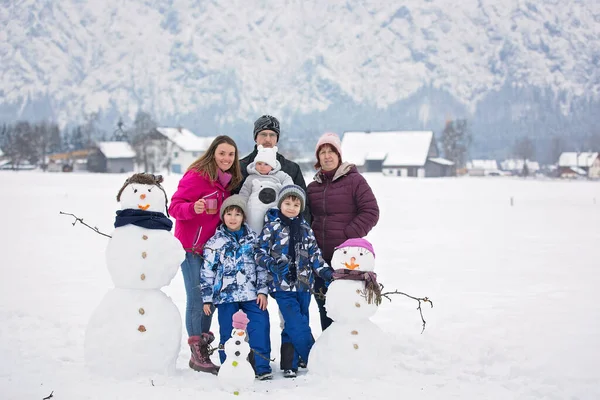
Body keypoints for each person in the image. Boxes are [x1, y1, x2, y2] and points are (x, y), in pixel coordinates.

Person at [169, 135, 242, 374]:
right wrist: (193, 208)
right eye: (222, 153)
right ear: (213, 153)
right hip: (191, 247)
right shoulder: (197, 176)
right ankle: (196, 351)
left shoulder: (229, 182)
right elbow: (174, 207)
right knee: (197, 298)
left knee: (210, 299)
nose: (226, 158)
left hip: (212, 252)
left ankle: (202, 347)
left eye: (231, 154)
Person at [255, 185, 334, 378]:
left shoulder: (305, 228)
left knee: (296, 323)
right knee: (295, 321)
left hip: (305, 285)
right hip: (282, 284)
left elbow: (315, 254)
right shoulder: (272, 227)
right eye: (288, 203)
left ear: (301, 206)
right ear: (281, 204)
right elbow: (259, 252)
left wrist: (325, 273)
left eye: (296, 204)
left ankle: (289, 364)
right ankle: (314, 358)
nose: (291, 207)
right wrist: (272, 265)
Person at [306, 132, 379, 331]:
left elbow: (371, 211)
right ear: (318, 157)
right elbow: (307, 219)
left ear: (339, 155)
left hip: (348, 260)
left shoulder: (355, 181)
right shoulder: (312, 187)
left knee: (350, 306)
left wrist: (348, 237)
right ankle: (331, 351)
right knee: (326, 307)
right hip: (320, 260)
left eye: (331, 151)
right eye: (323, 152)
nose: (327, 156)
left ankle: (354, 349)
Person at [200, 195, 272, 380]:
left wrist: (262, 291)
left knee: (260, 325)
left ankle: (261, 366)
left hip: (251, 295)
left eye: (237, 214)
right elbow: (207, 272)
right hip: (226, 297)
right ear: (223, 216)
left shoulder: (254, 239)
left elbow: (261, 267)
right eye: (229, 213)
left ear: (244, 217)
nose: (233, 218)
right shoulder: (215, 243)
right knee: (228, 332)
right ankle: (228, 368)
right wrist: (207, 298)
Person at [235, 114, 310, 221]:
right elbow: (234, 202)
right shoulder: (241, 167)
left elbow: (303, 204)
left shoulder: (291, 168)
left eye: (272, 135)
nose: (268, 139)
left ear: (277, 139)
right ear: (255, 137)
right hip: (249, 229)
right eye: (263, 134)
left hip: (281, 233)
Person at [238, 144, 294, 233]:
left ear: (272, 165)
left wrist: (283, 190)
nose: (262, 166)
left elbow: (289, 184)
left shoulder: (280, 175)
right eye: (259, 163)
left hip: (274, 210)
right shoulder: (251, 178)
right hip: (255, 211)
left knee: (274, 229)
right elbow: (244, 194)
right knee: (254, 228)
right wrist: (240, 207)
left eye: (266, 164)